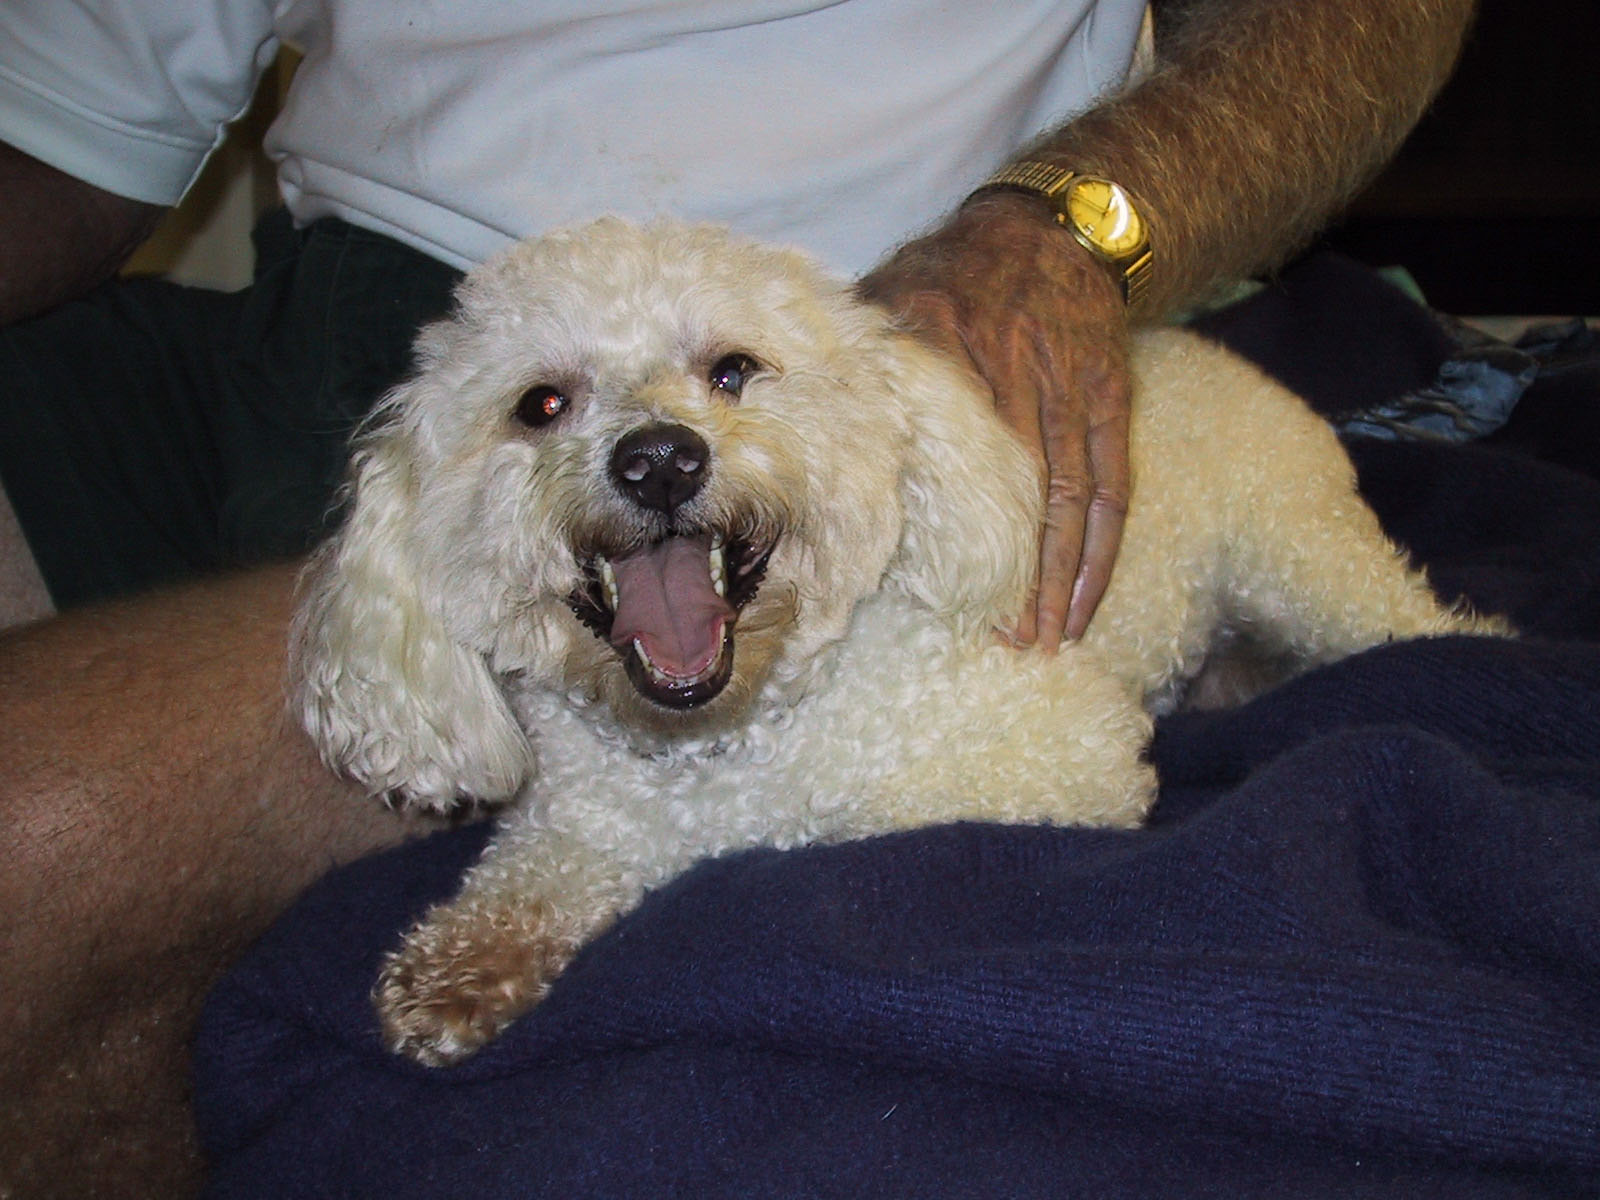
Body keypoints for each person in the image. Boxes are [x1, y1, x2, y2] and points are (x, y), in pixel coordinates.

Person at [0, 0, 1475, 1194]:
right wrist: (524, 918)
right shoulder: (503, 605)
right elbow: (593, 828)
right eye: (553, 407)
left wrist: (1068, 234)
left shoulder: (912, 498)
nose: (653, 441)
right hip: (320, 320)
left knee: (1391, 636)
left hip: (973, 301)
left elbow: (1079, 771)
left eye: (719, 382)